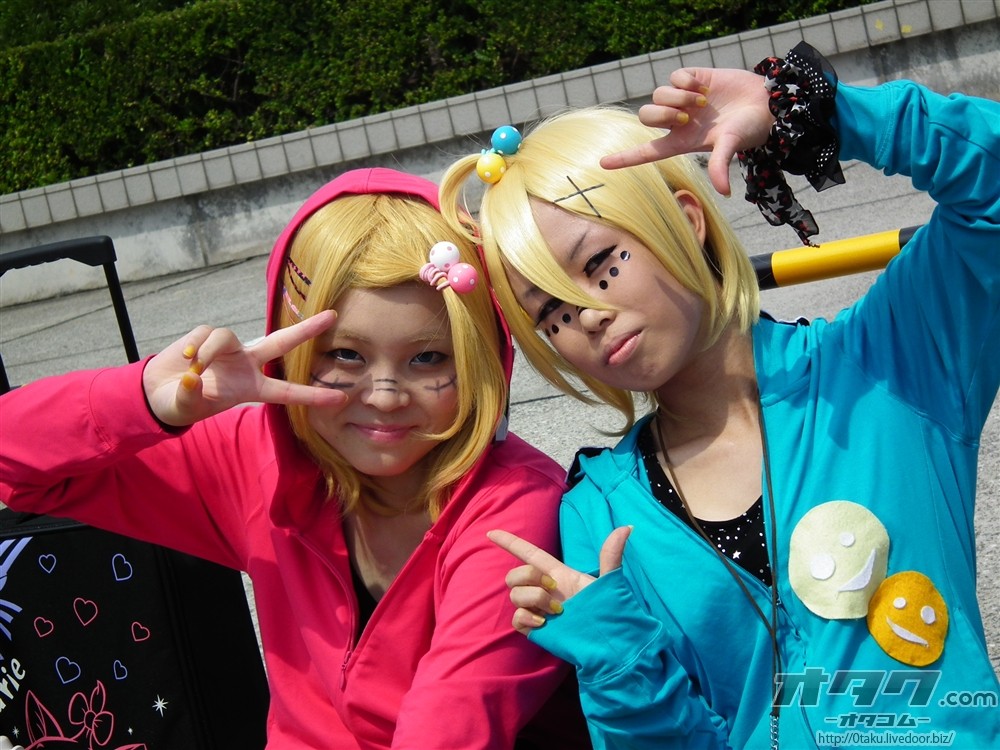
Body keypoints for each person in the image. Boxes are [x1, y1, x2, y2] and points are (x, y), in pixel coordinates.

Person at [437, 42, 1000, 749]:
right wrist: (621, 665)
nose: (587, 314)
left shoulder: (888, 363)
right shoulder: (597, 513)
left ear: (685, 219)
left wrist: (820, 115)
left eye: (599, 264)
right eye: (550, 311)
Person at [0, 167, 593, 749]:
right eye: (345, 354)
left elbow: (453, 722)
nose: (384, 396)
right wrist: (142, 397)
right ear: (292, 352)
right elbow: (14, 463)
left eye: (428, 359)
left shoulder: (518, 507)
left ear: (480, 359)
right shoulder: (253, 456)